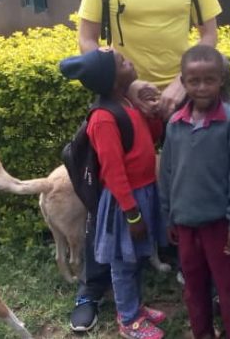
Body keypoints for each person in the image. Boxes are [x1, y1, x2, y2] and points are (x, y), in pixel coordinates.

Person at [71, 0, 223, 331]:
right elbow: (86, 39)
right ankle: (93, 286)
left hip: (182, 98)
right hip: (125, 102)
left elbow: (210, 34)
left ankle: (186, 268)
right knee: (108, 193)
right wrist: (128, 89)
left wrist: (180, 83)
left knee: (183, 186)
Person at [59, 49, 167, 339]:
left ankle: (136, 307)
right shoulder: (104, 118)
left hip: (142, 193)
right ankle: (129, 319)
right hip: (125, 202)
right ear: (112, 79)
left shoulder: (127, 103)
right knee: (123, 263)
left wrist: (154, 114)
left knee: (136, 259)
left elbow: (149, 139)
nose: (129, 61)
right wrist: (132, 214)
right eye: (122, 62)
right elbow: (113, 171)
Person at [159, 45, 230, 339]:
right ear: (183, 82)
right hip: (185, 224)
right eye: (194, 81)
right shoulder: (175, 124)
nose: (201, 87)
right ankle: (202, 333)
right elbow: (168, 173)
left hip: (221, 226)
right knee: (194, 288)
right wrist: (169, 215)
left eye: (209, 80)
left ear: (221, 80)